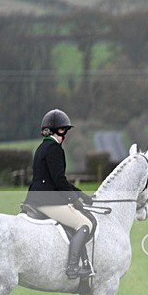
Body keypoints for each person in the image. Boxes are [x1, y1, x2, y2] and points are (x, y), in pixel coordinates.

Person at [24, 109, 94, 279]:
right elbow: (58, 179)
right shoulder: (55, 149)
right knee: (85, 224)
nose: (66, 134)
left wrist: (80, 193)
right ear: (60, 130)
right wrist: (73, 199)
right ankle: (73, 268)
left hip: (36, 197)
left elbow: (53, 179)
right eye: (65, 130)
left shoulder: (41, 147)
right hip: (47, 202)